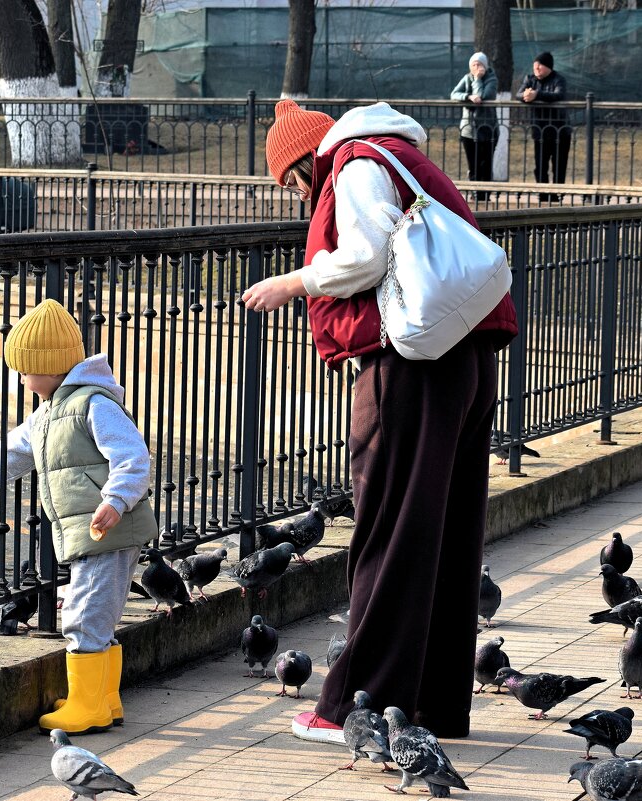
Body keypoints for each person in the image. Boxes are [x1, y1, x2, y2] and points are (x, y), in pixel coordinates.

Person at [240, 99, 518, 743]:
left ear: (313, 155)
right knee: (444, 539)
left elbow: (366, 255)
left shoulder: (357, 164)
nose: (297, 196)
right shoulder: (404, 156)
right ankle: (433, 708)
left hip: (412, 367)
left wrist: (296, 281)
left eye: (293, 181)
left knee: (388, 536)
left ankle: (356, 709)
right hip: (464, 361)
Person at [0, 299, 156, 736]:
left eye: (24, 369)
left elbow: (132, 457)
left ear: (49, 367)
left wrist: (114, 501)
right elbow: (11, 453)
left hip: (104, 528)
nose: (21, 378)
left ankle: (88, 707)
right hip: (95, 530)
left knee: (84, 614)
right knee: (100, 614)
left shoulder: (93, 404)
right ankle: (103, 701)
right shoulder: (51, 411)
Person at [517, 51, 570, 201]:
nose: (537, 69)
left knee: (559, 164)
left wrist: (537, 95)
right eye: (535, 66)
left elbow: (559, 95)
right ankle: (543, 193)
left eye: (540, 66)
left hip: (559, 130)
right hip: (540, 130)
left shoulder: (558, 79)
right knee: (540, 165)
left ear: (548, 67)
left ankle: (557, 194)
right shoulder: (530, 79)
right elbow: (519, 94)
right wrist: (526, 96)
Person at [450, 52, 498, 202]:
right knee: (473, 163)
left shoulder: (492, 79)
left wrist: (477, 80)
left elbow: (483, 96)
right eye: (473, 65)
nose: (476, 68)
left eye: (479, 65)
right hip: (469, 130)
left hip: (488, 129)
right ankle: (475, 194)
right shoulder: (466, 78)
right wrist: (467, 96)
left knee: (486, 163)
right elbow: (454, 94)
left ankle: (485, 195)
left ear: (485, 66)